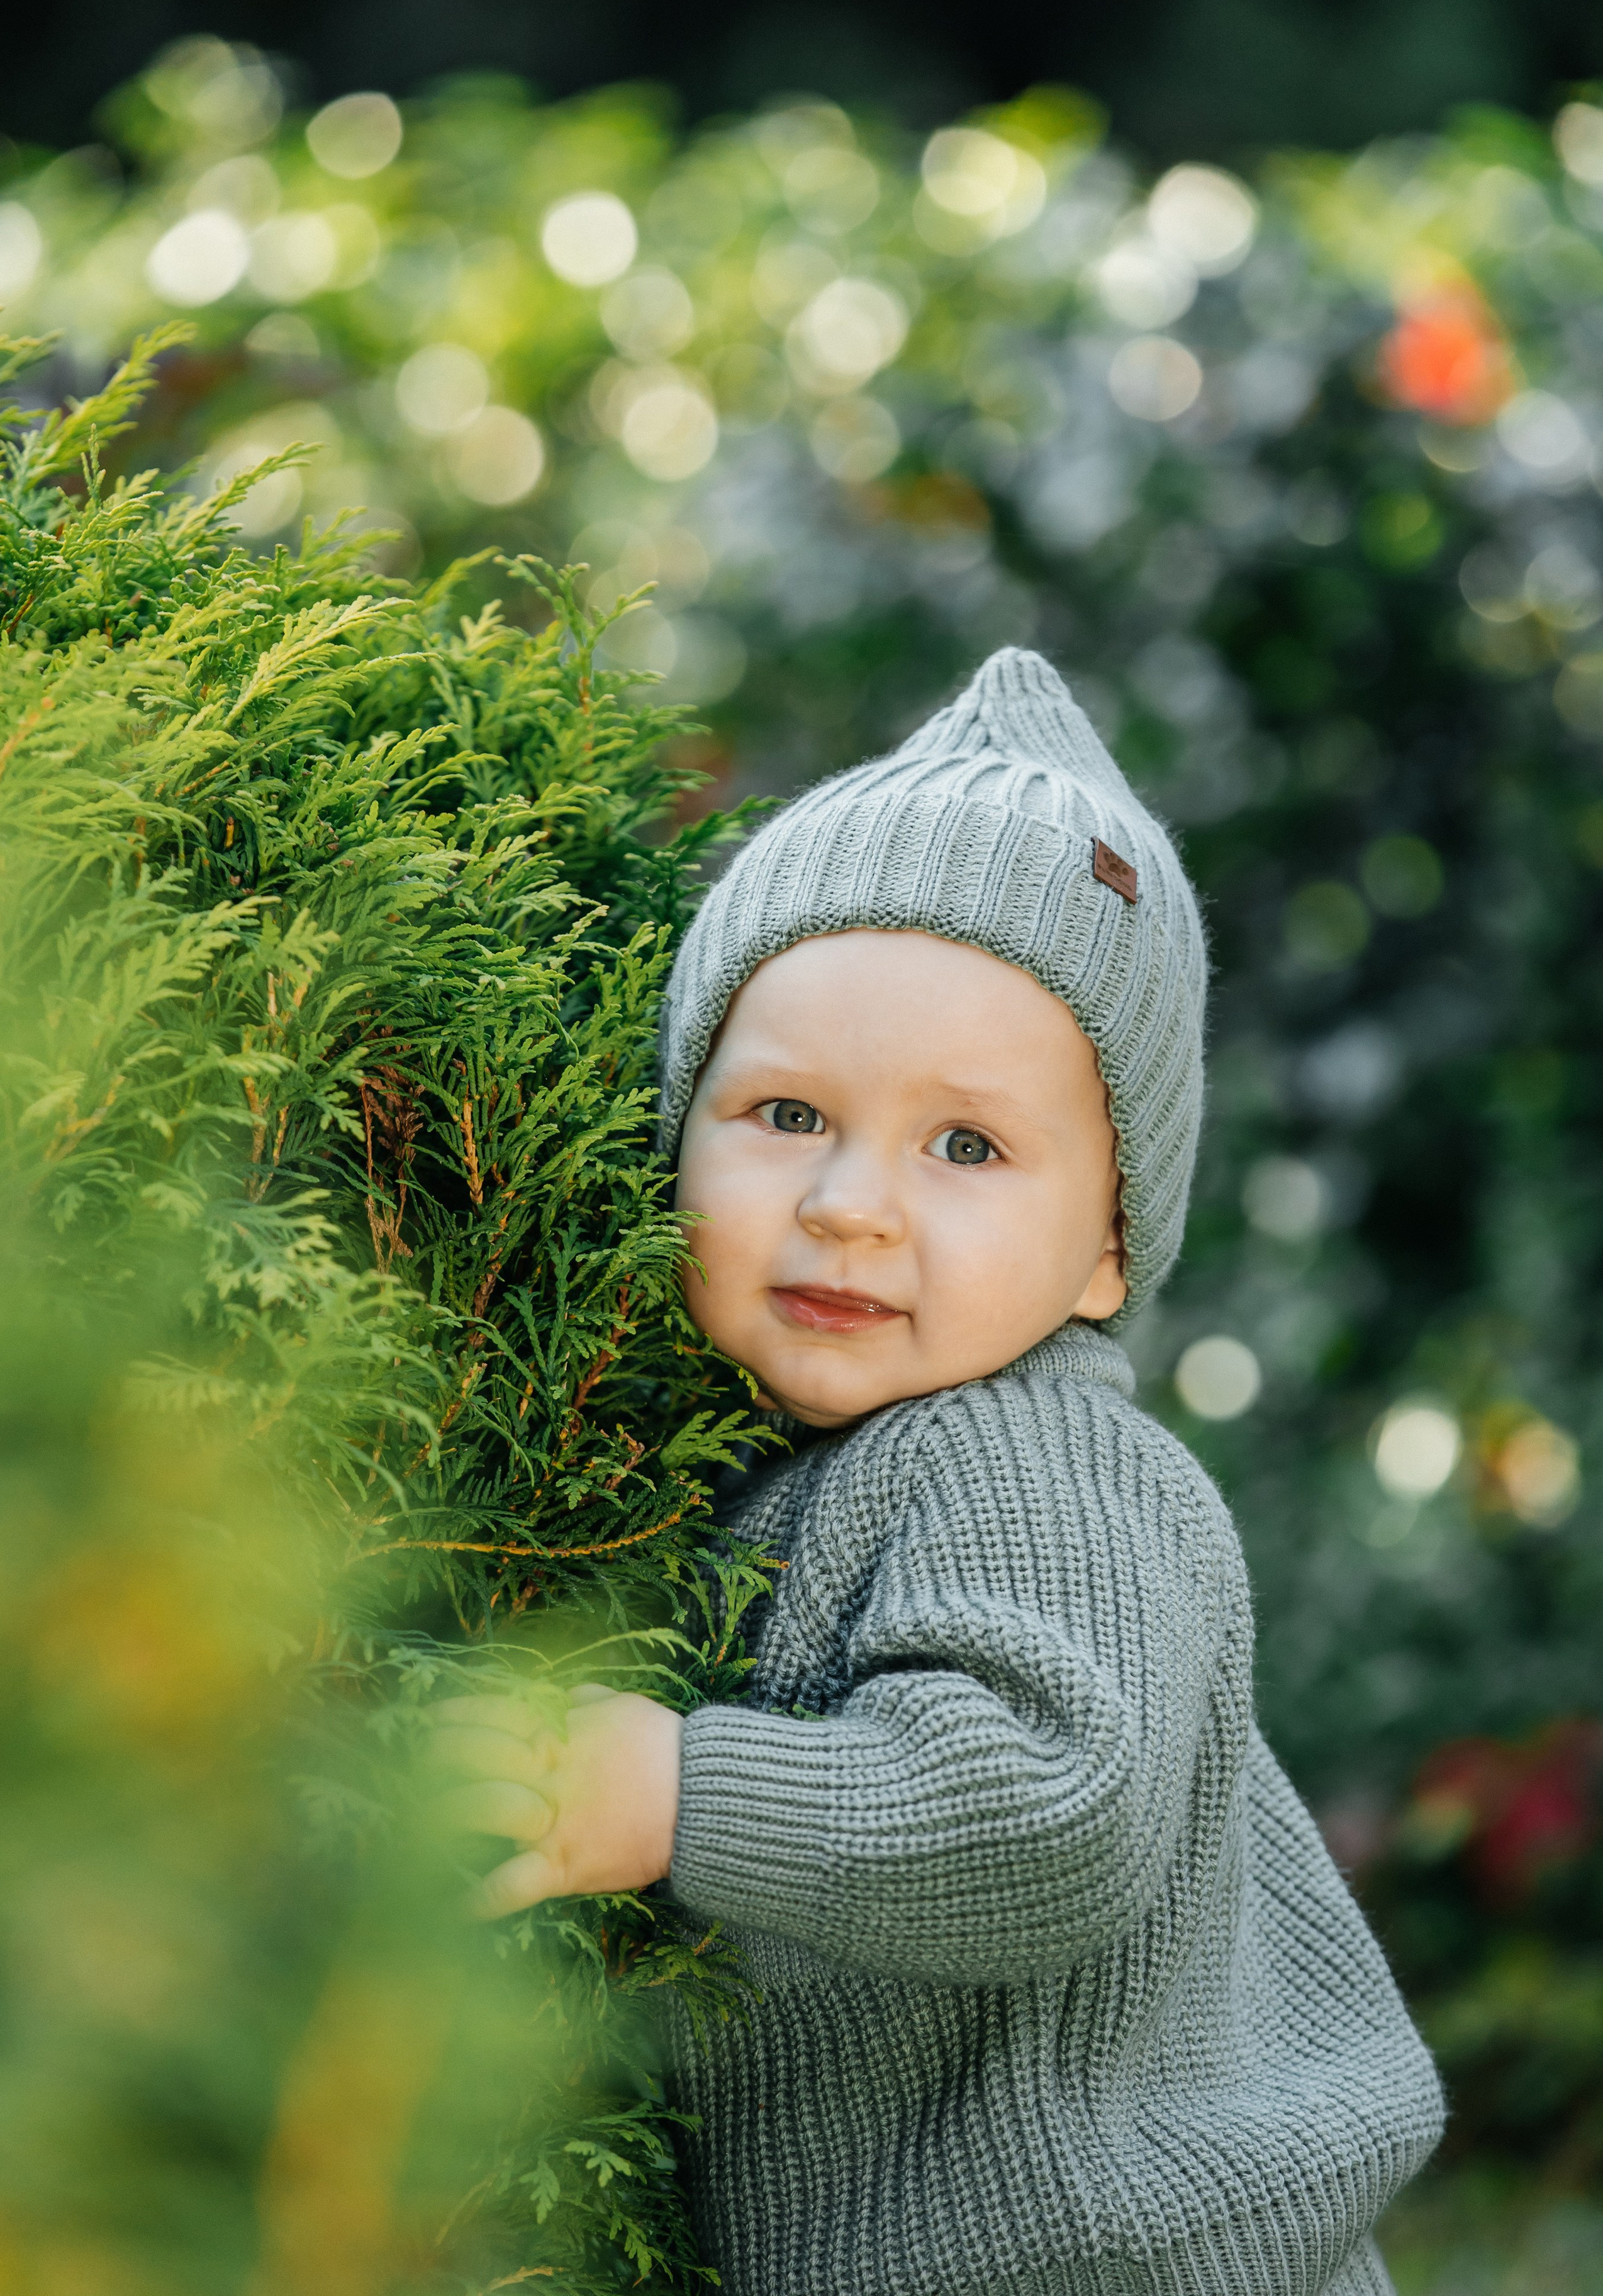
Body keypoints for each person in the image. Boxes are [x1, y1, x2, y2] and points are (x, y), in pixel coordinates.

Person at [429, 648, 1444, 2296]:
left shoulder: (1026, 1456)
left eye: (965, 1145)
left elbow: (1053, 1809)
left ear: (1110, 1251)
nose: (851, 1203)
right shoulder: (815, 1455)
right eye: (782, 1113)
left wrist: (676, 1793)